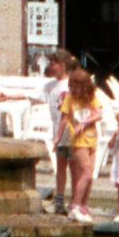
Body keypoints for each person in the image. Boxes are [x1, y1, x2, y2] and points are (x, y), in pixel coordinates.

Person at [60, 66, 106, 224]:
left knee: (90, 175)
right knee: (86, 171)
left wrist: (84, 123)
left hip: (92, 138)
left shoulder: (91, 97)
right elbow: (64, 119)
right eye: (71, 86)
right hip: (77, 141)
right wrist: (58, 138)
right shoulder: (70, 98)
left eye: (76, 87)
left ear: (84, 86)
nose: (74, 90)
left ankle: (84, 204)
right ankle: (75, 206)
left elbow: (99, 114)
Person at [43, 48, 76, 215]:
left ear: (62, 65)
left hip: (75, 134)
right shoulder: (50, 86)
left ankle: (77, 202)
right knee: (61, 167)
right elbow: (31, 95)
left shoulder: (72, 84)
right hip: (59, 133)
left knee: (76, 167)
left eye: (53, 63)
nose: (50, 66)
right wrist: (9, 96)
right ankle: (60, 200)